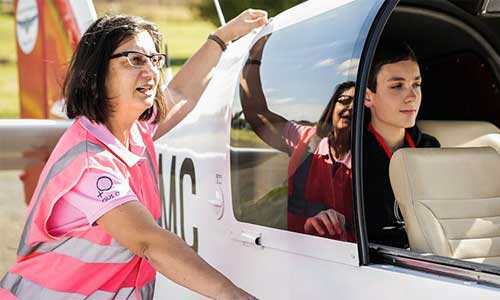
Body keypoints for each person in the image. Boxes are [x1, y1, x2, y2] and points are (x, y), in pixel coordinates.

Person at [0, 11, 268, 300]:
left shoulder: (134, 131)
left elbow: (181, 93)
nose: (152, 72)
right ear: (96, 71)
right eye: (135, 59)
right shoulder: (90, 163)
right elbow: (149, 243)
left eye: (155, 60)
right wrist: (238, 296)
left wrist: (221, 37)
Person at [240, 34, 355, 242]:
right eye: (344, 101)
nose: (350, 108)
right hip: (294, 250)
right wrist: (252, 61)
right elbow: (257, 114)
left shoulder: (371, 155)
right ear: (331, 108)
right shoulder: (305, 138)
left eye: (358, 104)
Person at [363, 41, 440, 248]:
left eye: (416, 84)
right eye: (397, 86)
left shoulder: (429, 148)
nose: (412, 97)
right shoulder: (354, 155)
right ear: (368, 97)